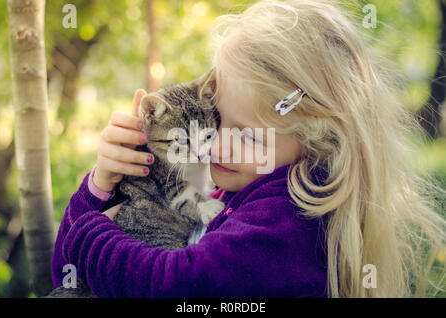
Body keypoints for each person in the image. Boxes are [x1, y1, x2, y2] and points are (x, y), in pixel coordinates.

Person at [51, 0, 445, 297]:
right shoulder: (239, 186)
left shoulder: (288, 220)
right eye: (217, 119)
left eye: (250, 136)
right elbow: (66, 277)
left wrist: (87, 230)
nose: (216, 145)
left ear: (318, 144)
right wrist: (101, 187)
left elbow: (176, 287)